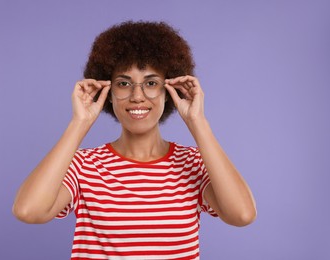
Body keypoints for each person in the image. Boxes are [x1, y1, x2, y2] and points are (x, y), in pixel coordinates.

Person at [13, 21, 257, 260]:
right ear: (107, 93)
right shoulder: (84, 165)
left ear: (169, 91)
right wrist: (79, 123)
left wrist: (198, 122)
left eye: (151, 83)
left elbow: (242, 215)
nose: (137, 96)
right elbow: (29, 211)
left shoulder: (193, 163)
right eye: (123, 84)